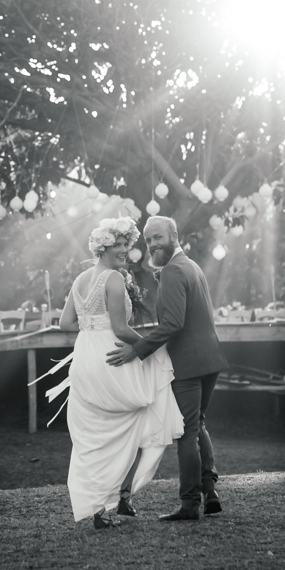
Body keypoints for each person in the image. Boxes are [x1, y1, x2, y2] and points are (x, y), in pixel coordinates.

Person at [57, 217, 183, 529]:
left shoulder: (80, 280)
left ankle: (110, 502)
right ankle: (122, 494)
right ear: (103, 247)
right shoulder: (112, 278)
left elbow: (65, 324)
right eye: (119, 244)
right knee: (144, 414)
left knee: (99, 435)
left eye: (127, 244)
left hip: (85, 356)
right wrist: (150, 347)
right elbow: (120, 329)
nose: (125, 249)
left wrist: (91, 328)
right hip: (111, 355)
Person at [107, 216, 227, 522]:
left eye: (157, 237)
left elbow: (173, 323)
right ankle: (210, 491)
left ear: (174, 235)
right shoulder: (192, 266)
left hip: (188, 363)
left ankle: (189, 504)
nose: (152, 244)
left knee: (186, 431)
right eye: (148, 240)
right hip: (210, 358)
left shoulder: (174, 271)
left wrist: (137, 350)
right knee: (197, 423)